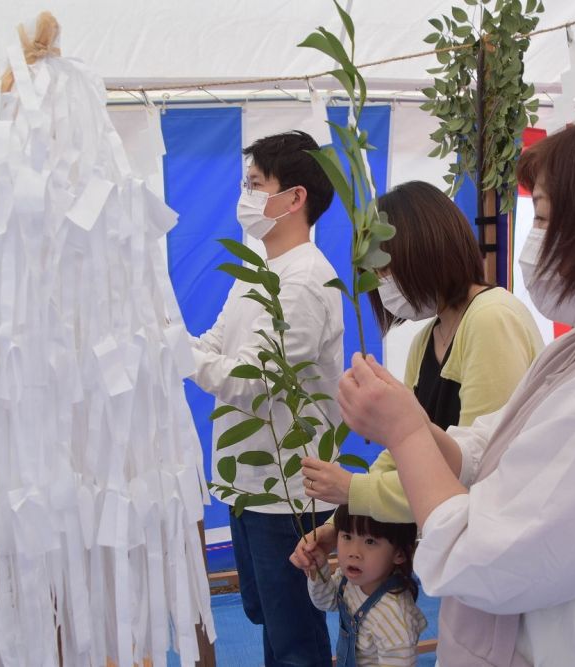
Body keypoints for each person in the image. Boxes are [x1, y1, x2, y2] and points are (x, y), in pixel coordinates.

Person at [336, 113, 575, 665]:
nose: (533, 243)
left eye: (542, 218)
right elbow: (496, 445)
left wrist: (402, 431)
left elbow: (478, 559)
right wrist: (412, 425)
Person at [297, 180, 543, 523]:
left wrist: (355, 490)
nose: (381, 284)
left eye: (384, 269)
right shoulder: (427, 338)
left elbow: (481, 467)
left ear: (425, 249)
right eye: (373, 274)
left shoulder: (490, 319)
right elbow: (403, 450)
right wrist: (340, 521)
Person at [189, 130, 342, 666]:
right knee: (270, 622)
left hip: (286, 493)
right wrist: (166, 342)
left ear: (295, 197)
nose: (245, 198)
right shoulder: (259, 268)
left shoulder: (303, 282)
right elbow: (218, 343)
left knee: (295, 636)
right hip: (248, 484)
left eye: (256, 185)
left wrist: (184, 359)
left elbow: (257, 382)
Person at [304, 505, 426, 667]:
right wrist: (318, 570)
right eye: (347, 536)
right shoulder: (349, 580)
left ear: (400, 554)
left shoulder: (393, 617)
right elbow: (326, 602)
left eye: (370, 541)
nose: (354, 552)